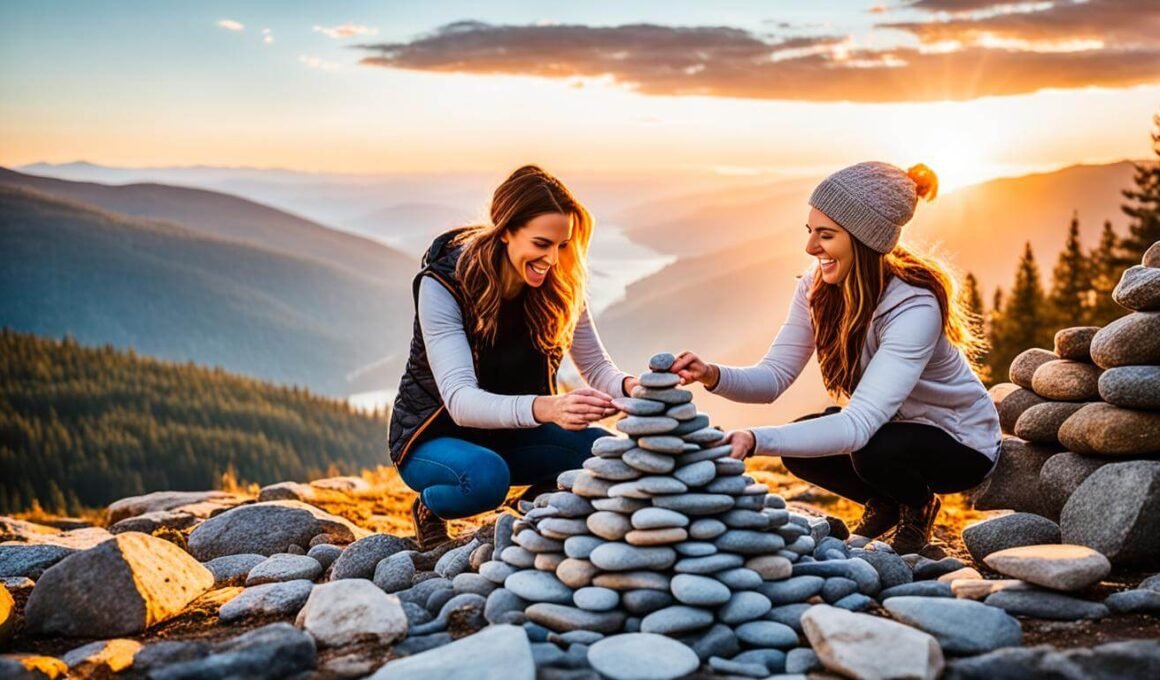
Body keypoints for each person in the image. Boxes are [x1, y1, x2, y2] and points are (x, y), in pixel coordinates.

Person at [671, 161, 1001, 554]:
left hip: (959, 443)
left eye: (825, 235)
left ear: (863, 240)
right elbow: (773, 377)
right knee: (803, 446)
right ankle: (885, 502)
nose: (811, 248)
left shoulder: (914, 307)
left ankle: (917, 505)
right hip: (890, 429)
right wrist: (711, 374)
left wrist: (754, 439)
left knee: (869, 449)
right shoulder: (817, 286)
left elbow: (858, 426)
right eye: (810, 232)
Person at [388, 165, 636, 549]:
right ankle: (430, 507)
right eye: (541, 244)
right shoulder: (443, 286)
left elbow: (597, 367)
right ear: (505, 231)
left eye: (563, 245)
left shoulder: (561, 284)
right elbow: (461, 402)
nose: (553, 259)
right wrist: (549, 408)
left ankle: (536, 502)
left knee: (609, 454)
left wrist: (634, 389)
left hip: (513, 434)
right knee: (486, 479)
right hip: (435, 436)